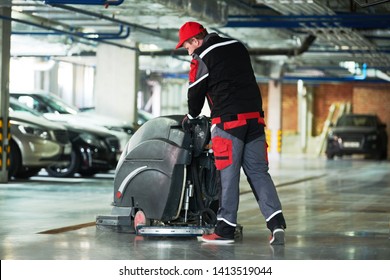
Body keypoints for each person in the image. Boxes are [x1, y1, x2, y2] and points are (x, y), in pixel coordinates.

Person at [176, 21, 286, 245]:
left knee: (227, 175)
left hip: (228, 123)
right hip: (255, 120)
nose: (188, 51)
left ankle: (225, 229)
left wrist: (193, 116)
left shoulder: (202, 56)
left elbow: (195, 92)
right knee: (258, 172)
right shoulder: (237, 45)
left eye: (187, 46)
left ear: (195, 41)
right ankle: (276, 225)